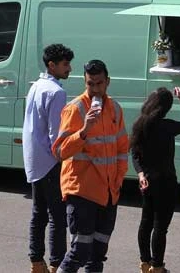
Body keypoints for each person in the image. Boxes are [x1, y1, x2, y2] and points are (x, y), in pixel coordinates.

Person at [51, 59, 128, 273]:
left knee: (97, 256)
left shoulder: (114, 109)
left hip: (108, 192)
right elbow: (59, 151)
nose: (94, 89)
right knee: (79, 253)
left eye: (99, 83)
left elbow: (122, 148)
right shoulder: (75, 109)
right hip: (82, 192)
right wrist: (83, 132)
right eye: (90, 84)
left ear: (108, 82)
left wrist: (118, 180)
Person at [23, 44, 74, 273]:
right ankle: (56, 264)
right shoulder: (57, 92)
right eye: (65, 64)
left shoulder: (37, 86)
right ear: (51, 65)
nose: (69, 68)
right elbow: (57, 134)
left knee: (38, 213)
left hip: (35, 159)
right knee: (58, 216)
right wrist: (64, 157)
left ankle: (36, 261)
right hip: (51, 161)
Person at [131, 86, 180, 273]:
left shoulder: (140, 124)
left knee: (146, 222)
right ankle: (158, 266)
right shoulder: (166, 126)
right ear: (165, 108)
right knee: (160, 227)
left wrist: (140, 173)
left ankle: (145, 262)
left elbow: (134, 153)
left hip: (147, 180)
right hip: (166, 180)